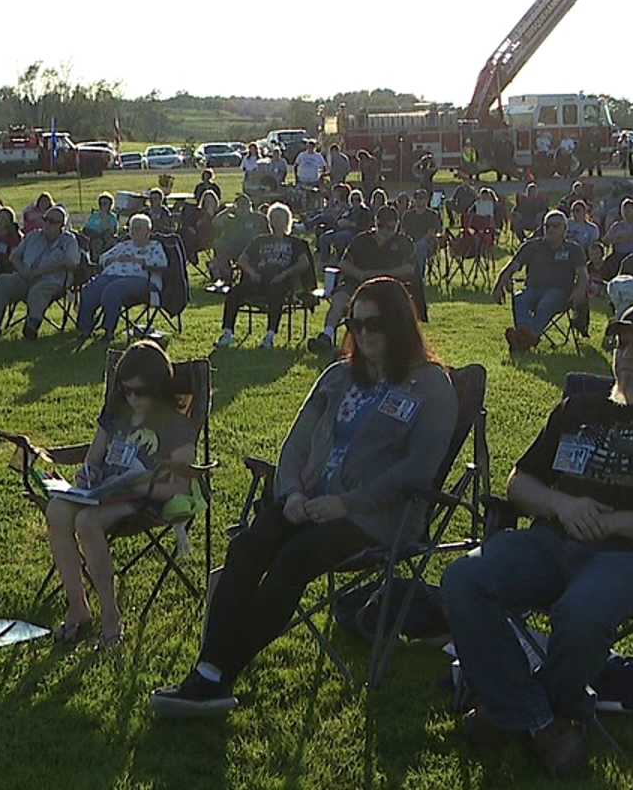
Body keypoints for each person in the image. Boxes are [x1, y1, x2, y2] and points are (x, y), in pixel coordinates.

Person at [441, 302, 633, 778]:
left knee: (581, 614)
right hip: (551, 541)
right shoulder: (579, 407)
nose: (626, 354)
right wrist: (563, 506)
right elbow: (520, 483)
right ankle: (544, 723)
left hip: (632, 558)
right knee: (463, 580)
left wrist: (617, 523)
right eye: (620, 343)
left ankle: (513, 710)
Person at [150, 277, 456, 718]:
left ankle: (216, 675)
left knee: (293, 559)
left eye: (376, 324)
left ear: (401, 325)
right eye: (356, 322)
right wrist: (290, 492)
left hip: (380, 517)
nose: (364, 333)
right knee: (247, 546)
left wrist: (347, 504)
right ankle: (209, 674)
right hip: (312, 502)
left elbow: (416, 472)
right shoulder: (337, 376)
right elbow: (295, 445)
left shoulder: (431, 387)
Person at [46, 339, 196, 649]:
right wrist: (87, 474)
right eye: (125, 390)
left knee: (87, 522)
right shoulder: (116, 408)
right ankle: (79, 606)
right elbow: (94, 454)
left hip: (145, 498)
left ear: (157, 388)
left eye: (139, 391)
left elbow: (182, 485)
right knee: (57, 510)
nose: (131, 397)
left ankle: (111, 617)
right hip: (104, 491)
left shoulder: (175, 424)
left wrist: (140, 485)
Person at [311, 205, 416, 354]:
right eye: (380, 225)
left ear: (397, 225)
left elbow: (409, 268)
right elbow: (344, 263)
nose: (384, 231)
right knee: (340, 298)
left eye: (389, 227)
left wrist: (382, 273)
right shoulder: (362, 240)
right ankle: (326, 336)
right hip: (357, 282)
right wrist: (359, 273)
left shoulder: (404, 243)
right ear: (375, 222)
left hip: (389, 286)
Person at [493, 210, 590, 354]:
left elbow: (583, 275)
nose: (550, 229)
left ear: (565, 229)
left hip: (560, 293)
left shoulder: (573, 249)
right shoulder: (532, 246)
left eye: (555, 226)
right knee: (520, 298)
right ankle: (526, 337)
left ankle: (525, 338)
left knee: (547, 301)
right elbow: (512, 266)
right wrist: (500, 284)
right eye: (547, 226)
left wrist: (580, 290)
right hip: (532, 290)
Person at [216, 204, 310, 350]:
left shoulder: (295, 243)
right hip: (258, 279)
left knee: (276, 293)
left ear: (286, 221)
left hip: (281, 281)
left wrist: (284, 274)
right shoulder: (260, 240)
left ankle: (270, 336)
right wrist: (252, 273)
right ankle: (227, 333)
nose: (274, 221)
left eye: (278, 218)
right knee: (234, 292)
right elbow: (242, 260)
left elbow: (304, 263)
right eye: (272, 218)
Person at [0, 206, 80, 341]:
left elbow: (71, 262)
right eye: (46, 219)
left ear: (62, 225)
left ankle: (32, 325)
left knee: (39, 290)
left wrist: (41, 271)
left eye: (53, 221)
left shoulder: (68, 240)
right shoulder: (33, 236)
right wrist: (23, 270)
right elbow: (14, 256)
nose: (47, 223)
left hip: (52, 280)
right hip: (24, 276)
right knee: (3, 281)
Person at [75, 214, 167, 342]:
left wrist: (137, 260)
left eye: (138, 229)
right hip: (111, 276)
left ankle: (108, 330)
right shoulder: (124, 245)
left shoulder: (154, 246)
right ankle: (84, 328)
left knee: (113, 290)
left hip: (141, 280)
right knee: (90, 289)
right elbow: (102, 259)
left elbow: (161, 263)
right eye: (132, 228)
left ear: (148, 231)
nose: (134, 232)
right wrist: (115, 259)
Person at [81, 192, 120, 259]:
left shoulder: (112, 217)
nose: (102, 206)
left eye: (105, 204)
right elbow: (87, 228)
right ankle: (96, 258)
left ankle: (100, 257)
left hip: (106, 237)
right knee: (95, 240)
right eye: (100, 204)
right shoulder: (95, 215)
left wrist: (105, 217)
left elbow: (113, 231)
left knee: (107, 237)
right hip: (93, 235)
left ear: (110, 205)